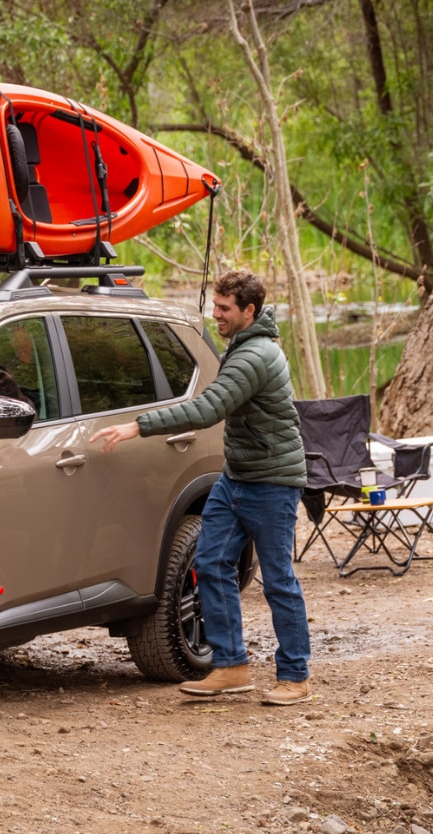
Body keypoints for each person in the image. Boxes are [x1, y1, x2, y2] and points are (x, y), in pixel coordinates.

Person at [90, 269, 312, 706]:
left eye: (225, 308)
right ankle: (231, 666)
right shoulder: (242, 347)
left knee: (278, 583)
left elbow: (209, 409)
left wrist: (138, 425)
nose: (216, 314)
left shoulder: (255, 357)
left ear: (250, 311)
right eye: (215, 305)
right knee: (209, 564)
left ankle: (296, 676)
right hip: (237, 479)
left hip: (271, 483)